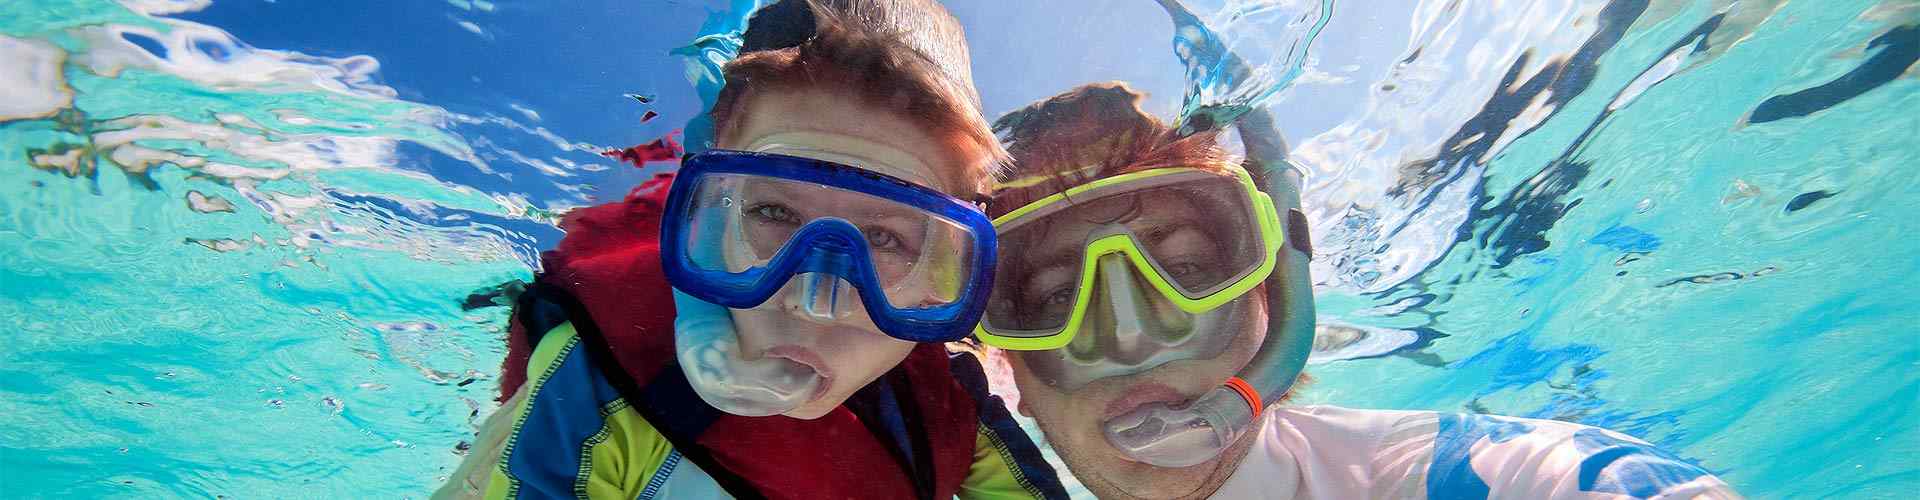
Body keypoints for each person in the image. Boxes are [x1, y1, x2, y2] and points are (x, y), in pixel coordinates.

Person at [977, 80, 1743, 499]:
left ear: (1276, 299)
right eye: (1048, 299)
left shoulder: (1473, 478)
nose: (1131, 333)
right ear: (1008, 365)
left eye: (1183, 268)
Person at [434, 1, 1067, 498]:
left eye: (885, 238)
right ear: (703, 219)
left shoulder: (956, 397)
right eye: (772, 212)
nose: (814, 303)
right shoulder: (598, 381)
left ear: (946, 267)